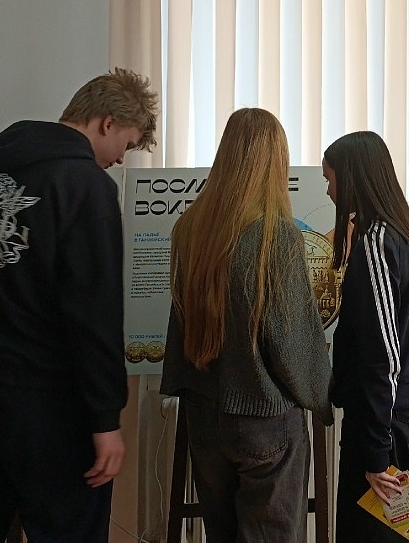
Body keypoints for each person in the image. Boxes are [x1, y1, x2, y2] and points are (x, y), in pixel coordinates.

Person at [0, 68, 159, 543]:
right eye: (125, 146)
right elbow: (94, 314)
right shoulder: (85, 185)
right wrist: (105, 418)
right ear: (107, 123)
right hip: (53, 410)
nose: (117, 160)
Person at [160, 108, 334, 543]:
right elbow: (292, 339)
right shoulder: (275, 235)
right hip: (264, 416)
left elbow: (179, 322)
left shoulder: (190, 228)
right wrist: (320, 396)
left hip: (204, 414)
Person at [321, 131, 409, 543]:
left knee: (370, 535)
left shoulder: (376, 242)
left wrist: (374, 452)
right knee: (401, 531)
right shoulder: (405, 234)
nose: (329, 191)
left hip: (384, 417)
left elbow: (382, 355)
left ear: (353, 177)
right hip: (399, 407)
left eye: (331, 179)